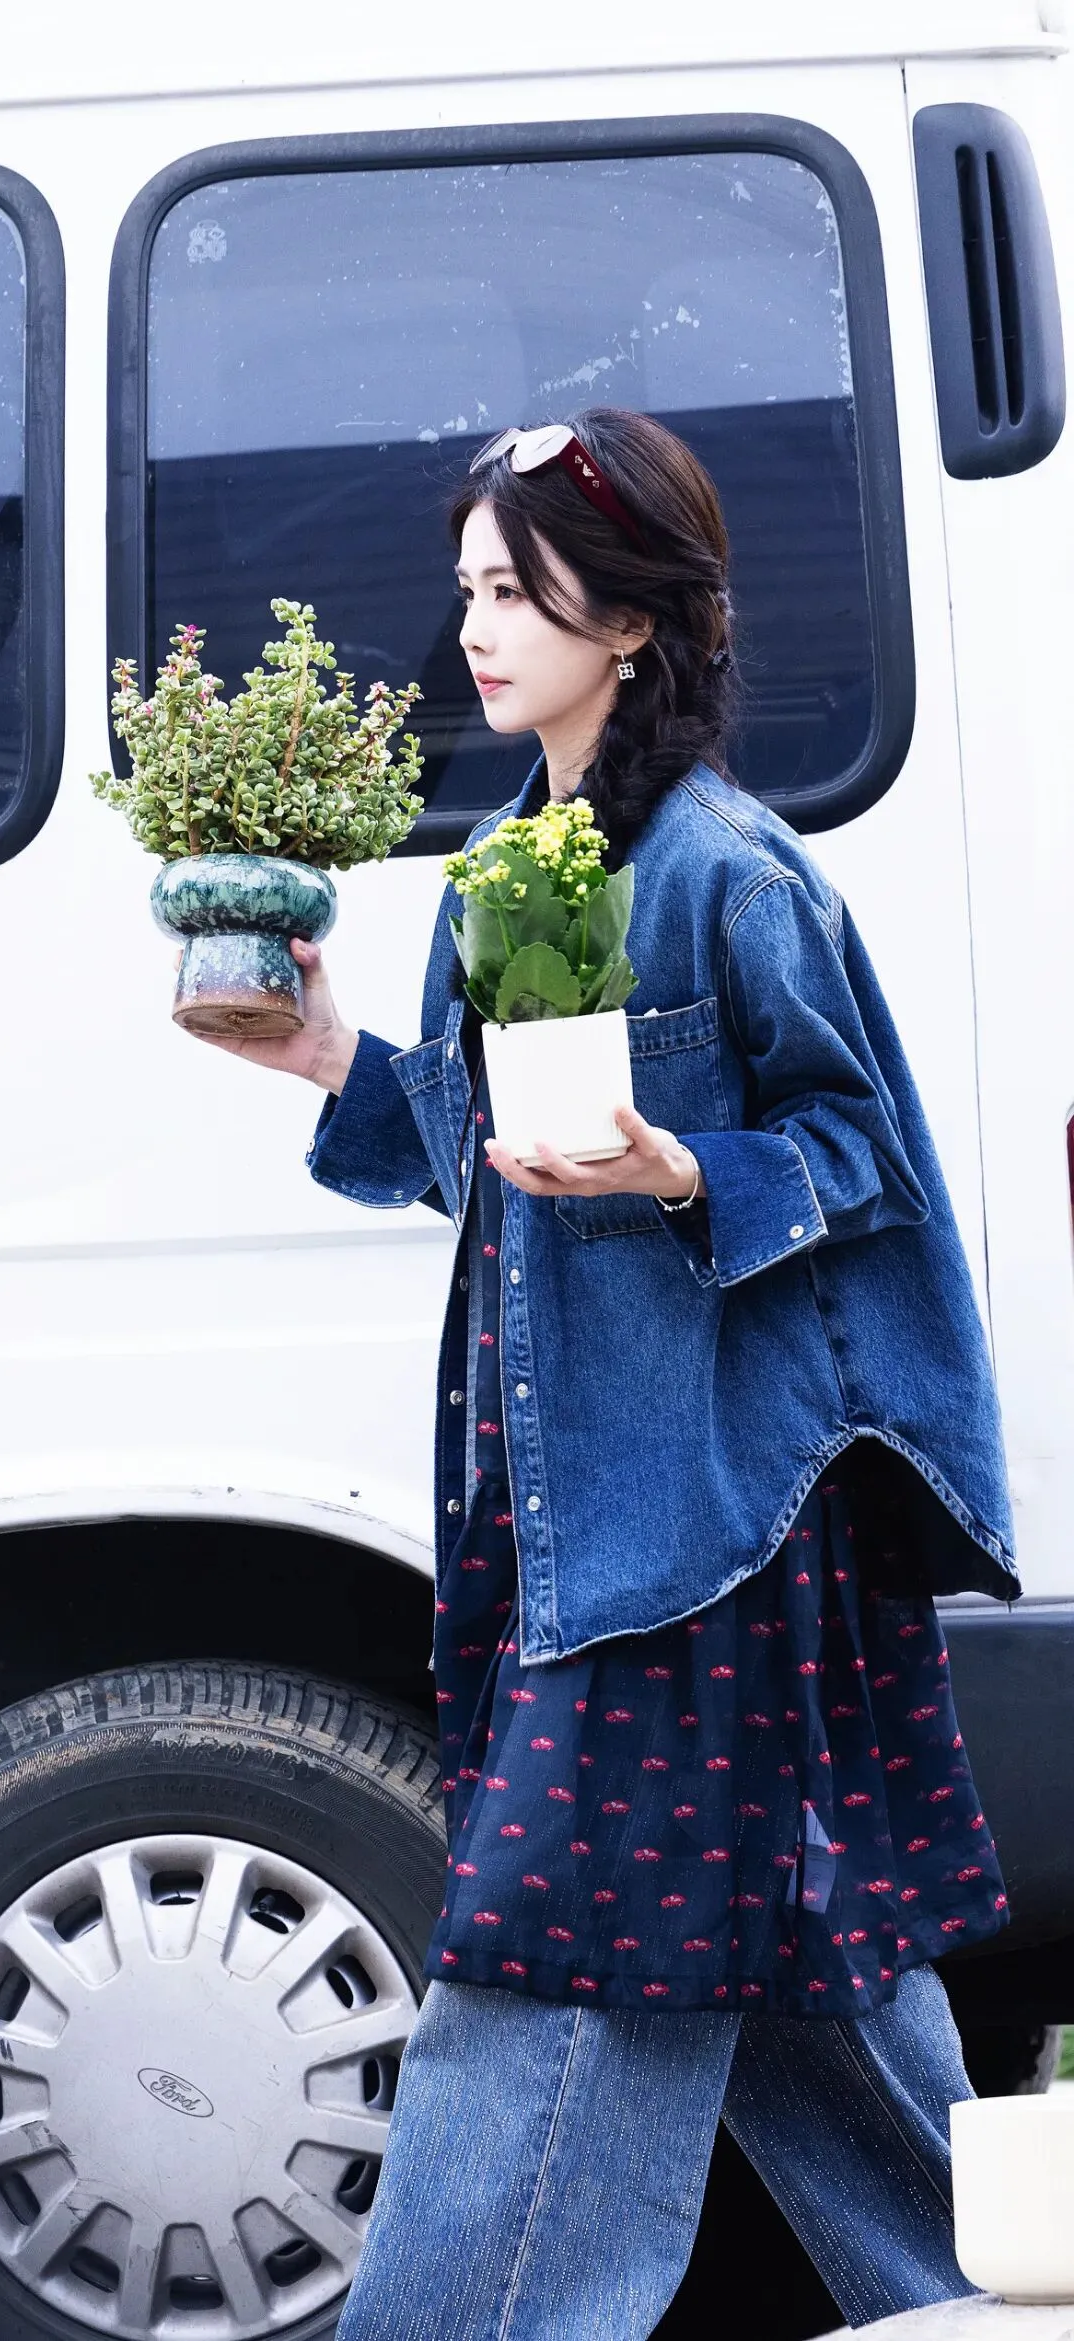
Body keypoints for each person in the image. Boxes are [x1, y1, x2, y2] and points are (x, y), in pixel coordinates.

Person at [184, 408, 1020, 2340]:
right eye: (469, 587)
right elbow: (480, 1164)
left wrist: (679, 1170)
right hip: (567, 1528)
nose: (475, 626)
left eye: (518, 589)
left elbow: (861, 1155)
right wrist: (329, 1059)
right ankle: (1011, 2294)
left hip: (704, 1542)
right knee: (805, 1978)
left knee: (549, 1974)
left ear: (632, 619)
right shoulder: (502, 871)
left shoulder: (737, 876)